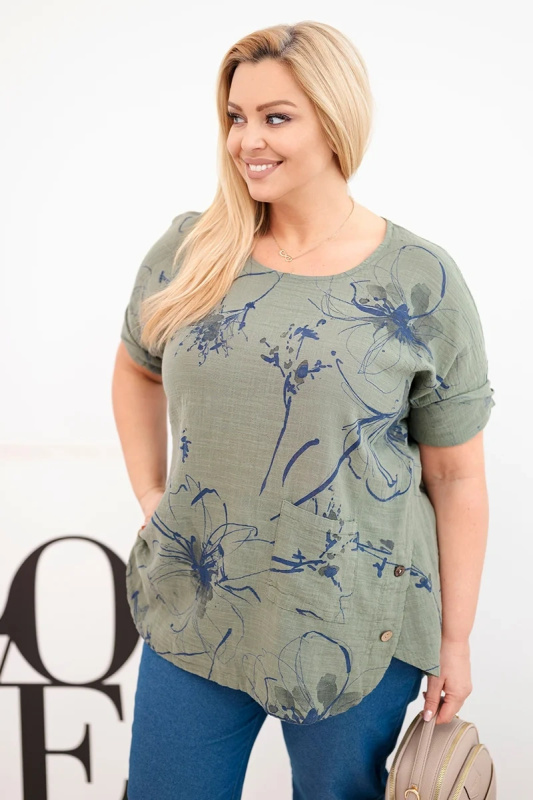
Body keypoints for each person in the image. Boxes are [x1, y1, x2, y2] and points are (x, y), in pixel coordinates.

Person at [112, 20, 495, 800]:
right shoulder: (191, 249)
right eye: (235, 117)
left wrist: (454, 641)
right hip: (198, 604)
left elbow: (456, 477)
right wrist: (151, 494)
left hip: (356, 616)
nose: (246, 140)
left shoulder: (418, 280)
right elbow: (134, 368)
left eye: (275, 117)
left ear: (333, 120)